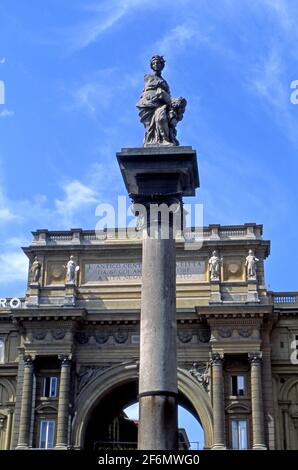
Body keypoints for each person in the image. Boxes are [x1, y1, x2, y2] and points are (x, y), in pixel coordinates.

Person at [136, 55, 186, 146]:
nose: (156, 65)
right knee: (153, 124)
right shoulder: (148, 77)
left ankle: (164, 139)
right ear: (151, 65)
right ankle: (156, 140)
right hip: (149, 103)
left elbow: (167, 95)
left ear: (162, 65)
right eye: (154, 63)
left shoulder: (164, 82)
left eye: (158, 63)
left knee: (162, 118)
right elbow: (149, 87)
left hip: (161, 104)